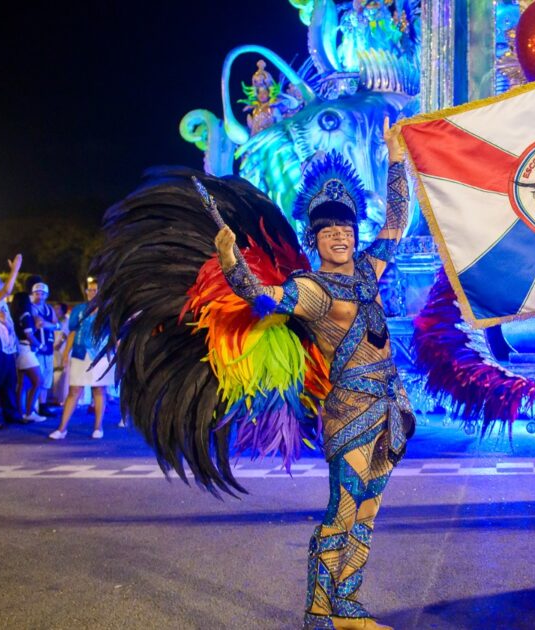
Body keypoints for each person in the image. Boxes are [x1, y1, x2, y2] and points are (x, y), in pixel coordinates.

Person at [93, 120, 416, 629]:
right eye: (329, 230)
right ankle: (318, 612)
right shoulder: (311, 289)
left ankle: (349, 605)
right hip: (350, 411)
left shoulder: (370, 270)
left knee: (369, 514)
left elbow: (397, 219)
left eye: (346, 228)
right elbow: (261, 298)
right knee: (343, 512)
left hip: (390, 408)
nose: (340, 235)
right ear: (314, 238)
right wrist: (228, 259)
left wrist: (397, 156)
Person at [49, 279, 113, 440]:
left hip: (99, 356)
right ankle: (62, 429)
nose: (92, 293)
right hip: (79, 353)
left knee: (98, 390)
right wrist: (65, 354)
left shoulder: (107, 311)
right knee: (74, 390)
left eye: (95, 290)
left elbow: (113, 333)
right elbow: (72, 332)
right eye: (89, 290)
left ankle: (98, 427)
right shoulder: (78, 309)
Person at [0, 255, 24, 429]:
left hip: (6, 349)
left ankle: (10, 413)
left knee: (9, 382)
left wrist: (7, 326)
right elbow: (7, 290)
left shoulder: (2, 303)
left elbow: (10, 327)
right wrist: (15, 270)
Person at [19, 282, 59, 417]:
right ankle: (32, 407)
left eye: (42, 293)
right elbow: (38, 323)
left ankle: (42, 405)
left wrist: (48, 325)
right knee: (37, 379)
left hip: (48, 346)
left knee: (47, 378)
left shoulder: (48, 308)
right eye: (37, 293)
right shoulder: (31, 308)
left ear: (46, 295)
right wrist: (50, 325)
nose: (39, 296)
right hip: (36, 347)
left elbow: (56, 324)